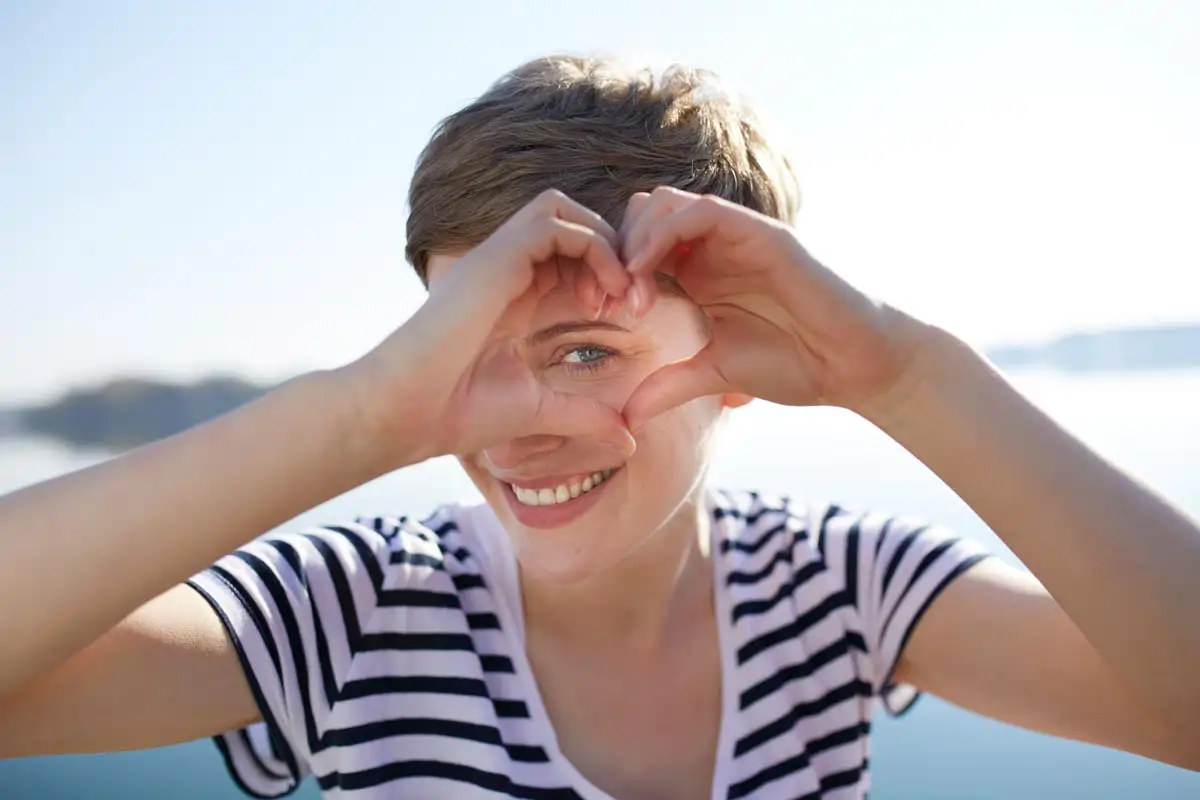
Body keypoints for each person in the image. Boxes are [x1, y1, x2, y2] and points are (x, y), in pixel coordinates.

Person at [0, 55, 1197, 800]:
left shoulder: (842, 585)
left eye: (586, 352)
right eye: (462, 353)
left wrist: (908, 375)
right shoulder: (354, 608)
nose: (518, 430)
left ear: (738, 359)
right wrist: (362, 414)